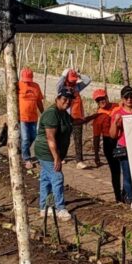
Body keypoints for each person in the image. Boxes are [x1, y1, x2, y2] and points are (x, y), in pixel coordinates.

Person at [34, 88, 77, 221]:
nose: (67, 102)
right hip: (47, 152)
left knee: (46, 179)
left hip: (51, 152)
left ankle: (44, 208)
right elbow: (50, 138)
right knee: (57, 177)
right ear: (57, 99)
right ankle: (60, 208)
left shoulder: (63, 113)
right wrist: (56, 158)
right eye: (64, 99)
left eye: (69, 100)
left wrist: (94, 117)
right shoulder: (52, 114)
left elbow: (75, 122)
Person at [109, 86, 132, 204]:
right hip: (125, 147)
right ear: (122, 99)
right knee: (128, 174)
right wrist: (115, 122)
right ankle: (131, 199)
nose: (129, 99)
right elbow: (113, 135)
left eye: (131, 96)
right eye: (126, 97)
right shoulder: (118, 113)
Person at [56, 68, 92, 169]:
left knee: (78, 140)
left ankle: (79, 161)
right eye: (71, 80)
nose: (73, 82)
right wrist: (63, 75)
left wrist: (79, 75)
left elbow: (88, 80)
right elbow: (57, 85)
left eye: (74, 80)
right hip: (66, 118)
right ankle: (61, 156)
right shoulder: (62, 88)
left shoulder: (77, 87)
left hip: (77, 117)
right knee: (64, 138)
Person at [91, 89, 121, 201]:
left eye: (103, 98)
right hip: (109, 143)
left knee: (126, 169)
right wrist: (96, 154)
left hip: (121, 141)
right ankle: (118, 196)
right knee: (115, 171)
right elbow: (96, 136)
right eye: (98, 100)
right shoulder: (98, 116)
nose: (101, 101)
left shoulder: (117, 106)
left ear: (107, 97)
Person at [17, 67, 44, 169]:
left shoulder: (36, 86)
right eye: (25, 80)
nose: (27, 82)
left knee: (33, 137)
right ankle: (27, 159)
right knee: (25, 138)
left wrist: (43, 113)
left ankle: (21, 150)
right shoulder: (18, 86)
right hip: (22, 117)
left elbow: (39, 101)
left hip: (33, 117)